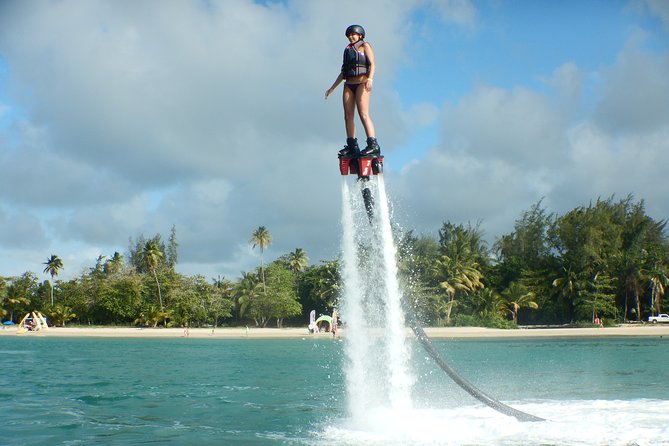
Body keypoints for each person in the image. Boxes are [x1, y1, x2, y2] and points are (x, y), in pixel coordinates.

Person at [325, 24, 381, 158]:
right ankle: (352, 145)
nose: (351, 37)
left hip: (362, 82)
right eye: (349, 35)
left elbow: (373, 64)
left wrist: (370, 79)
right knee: (348, 115)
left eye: (353, 34)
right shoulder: (347, 50)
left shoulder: (365, 46)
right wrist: (332, 88)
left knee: (363, 113)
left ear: (360, 35)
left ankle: (373, 145)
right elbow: (343, 72)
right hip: (349, 84)